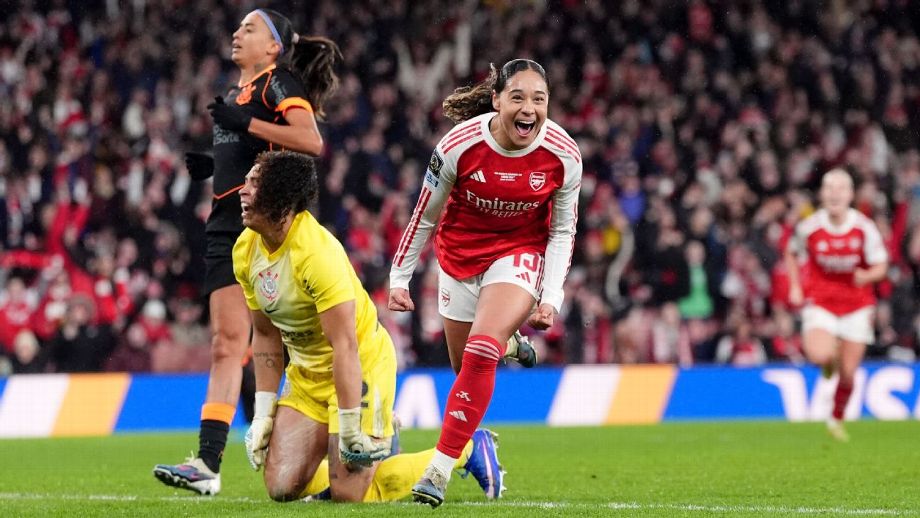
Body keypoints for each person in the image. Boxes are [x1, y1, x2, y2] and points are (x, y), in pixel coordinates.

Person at [231, 150, 500, 503]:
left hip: (360, 364)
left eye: (254, 183)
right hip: (307, 376)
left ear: (280, 196)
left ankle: (467, 448)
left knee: (349, 494)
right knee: (281, 487)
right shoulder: (245, 251)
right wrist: (263, 413)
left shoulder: (316, 254)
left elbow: (345, 345)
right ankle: (367, 445)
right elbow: (266, 335)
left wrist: (347, 426)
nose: (243, 190)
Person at [153, 8, 341, 495]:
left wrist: (247, 124)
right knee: (226, 344)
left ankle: (360, 426)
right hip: (224, 224)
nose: (237, 33)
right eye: (237, 26)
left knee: (292, 345)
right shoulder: (236, 92)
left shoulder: (277, 82)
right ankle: (207, 465)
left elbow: (309, 140)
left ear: (273, 46)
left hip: (267, 228)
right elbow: (251, 149)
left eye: (250, 28)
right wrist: (214, 163)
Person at [388, 58, 582, 507]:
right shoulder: (458, 146)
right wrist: (400, 276)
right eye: (518, 97)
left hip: (519, 256)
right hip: (458, 260)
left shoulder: (564, 154)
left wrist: (551, 296)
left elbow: (562, 230)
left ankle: (437, 471)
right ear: (496, 100)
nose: (529, 108)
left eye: (539, 99)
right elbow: (425, 215)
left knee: (479, 352)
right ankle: (497, 377)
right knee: (467, 372)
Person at [785, 169, 888, 442]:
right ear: (821, 194)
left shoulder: (864, 227)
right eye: (829, 187)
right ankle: (829, 358)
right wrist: (795, 286)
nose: (834, 193)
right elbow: (791, 252)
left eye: (841, 188)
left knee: (849, 374)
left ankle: (836, 418)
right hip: (821, 303)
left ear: (850, 195)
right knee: (819, 355)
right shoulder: (810, 227)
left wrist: (867, 275)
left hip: (857, 305)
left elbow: (881, 265)